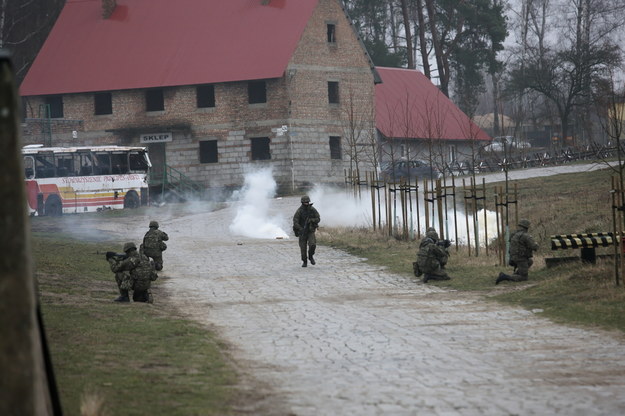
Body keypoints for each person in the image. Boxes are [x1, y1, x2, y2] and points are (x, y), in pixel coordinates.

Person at [496, 219, 539, 284]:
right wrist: (536, 244)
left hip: (513, 257)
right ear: (526, 227)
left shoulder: (514, 234)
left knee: (530, 261)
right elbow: (534, 247)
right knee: (524, 277)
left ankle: (515, 274)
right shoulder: (525, 236)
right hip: (521, 258)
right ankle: (505, 277)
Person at [293, 195, 320, 267]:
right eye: (305, 202)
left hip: (310, 231)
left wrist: (311, 220)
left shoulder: (312, 209)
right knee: (303, 249)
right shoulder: (299, 211)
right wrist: (300, 228)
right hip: (302, 232)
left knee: (312, 245)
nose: (306, 203)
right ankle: (304, 261)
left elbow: (318, 218)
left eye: (307, 202)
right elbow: (295, 221)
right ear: (302, 202)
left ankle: (310, 256)